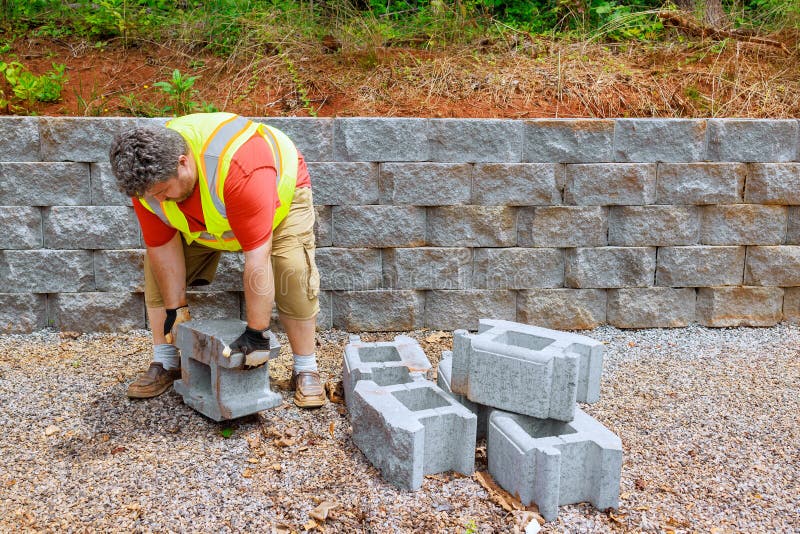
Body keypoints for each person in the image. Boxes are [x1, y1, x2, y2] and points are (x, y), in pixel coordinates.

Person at [109, 112, 325, 408]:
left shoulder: (239, 167)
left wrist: (256, 333)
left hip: (276, 201)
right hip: (206, 220)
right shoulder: (147, 182)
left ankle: (305, 368)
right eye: (151, 196)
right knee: (154, 274)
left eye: (162, 192)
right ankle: (166, 361)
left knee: (292, 270)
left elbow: (257, 258)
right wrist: (175, 310)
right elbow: (162, 247)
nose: (158, 201)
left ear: (182, 162)